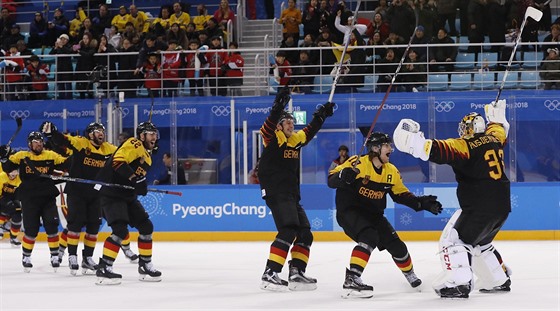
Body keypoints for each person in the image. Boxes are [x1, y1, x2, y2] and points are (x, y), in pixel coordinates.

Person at [392, 99, 512, 298]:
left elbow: (432, 149)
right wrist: (496, 119)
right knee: (480, 243)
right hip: (502, 205)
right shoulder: (494, 138)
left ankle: (459, 282)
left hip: (479, 204)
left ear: (468, 129)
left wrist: (410, 137)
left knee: (453, 240)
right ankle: (497, 279)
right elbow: (499, 128)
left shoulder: (465, 145)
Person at [327, 132, 442, 298]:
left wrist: (421, 203)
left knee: (398, 247)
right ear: (375, 148)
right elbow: (331, 179)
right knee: (369, 236)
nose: (391, 149)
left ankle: (409, 274)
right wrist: (342, 176)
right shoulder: (357, 163)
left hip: (374, 215)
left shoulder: (391, 171)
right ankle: (352, 278)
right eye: (387, 145)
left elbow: (400, 194)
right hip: (350, 211)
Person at [258, 86, 335, 291]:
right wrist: (277, 107)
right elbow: (267, 126)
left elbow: (308, 132)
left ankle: (297, 272)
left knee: (305, 233)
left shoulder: (294, 141)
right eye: (287, 122)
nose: (291, 125)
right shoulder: (272, 138)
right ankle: (270, 272)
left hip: (291, 194)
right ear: (279, 126)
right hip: (276, 191)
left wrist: (321, 116)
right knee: (288, 229)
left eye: (293, 122)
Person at [41, 121, 118, 276]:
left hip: (96, 193)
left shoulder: (108, 148)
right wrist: (52, 134)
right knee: (74, 225)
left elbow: (125, 154)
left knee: (93, 227)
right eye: (97, 131)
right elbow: (64, 140)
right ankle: (72, 256)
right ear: (90, 134)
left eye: (102, 130)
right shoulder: (82, 143)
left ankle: (87, 258)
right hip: (77, 191)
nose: (101, 133)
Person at [95, 122, 162, 285]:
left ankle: (145, 265)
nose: (153, 137)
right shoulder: (134, 143)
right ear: (141, 136)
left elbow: (134, 178)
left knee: (146, 227)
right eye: (150, 134)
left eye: (155, 134)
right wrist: (136, 179)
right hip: (111, 194)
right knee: (120, 230)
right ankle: (104, 268)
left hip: (127, 196)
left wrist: (140, 185)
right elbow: (118, 161)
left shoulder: (147, 156)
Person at [0, 132, 69, 272]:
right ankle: (26, 256)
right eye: (35, 141)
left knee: (52, 226)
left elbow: (65, 164)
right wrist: (3, 158)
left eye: (40, 141)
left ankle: (54, 255)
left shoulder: (50, 155)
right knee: (31, 230)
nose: (39, 143)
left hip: (48, 197)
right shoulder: (21, 156)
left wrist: (71, 153)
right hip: (30, 199)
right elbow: (7, 168)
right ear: (30, 144)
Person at [0, 168, 22, 246]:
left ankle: (13, 237)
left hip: (13, 198)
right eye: (11, 171)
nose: (13, 173)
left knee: (18, 216)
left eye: (15, 171)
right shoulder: (2, 176)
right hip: (2, 196)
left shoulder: (20, 178)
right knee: (4, 208)